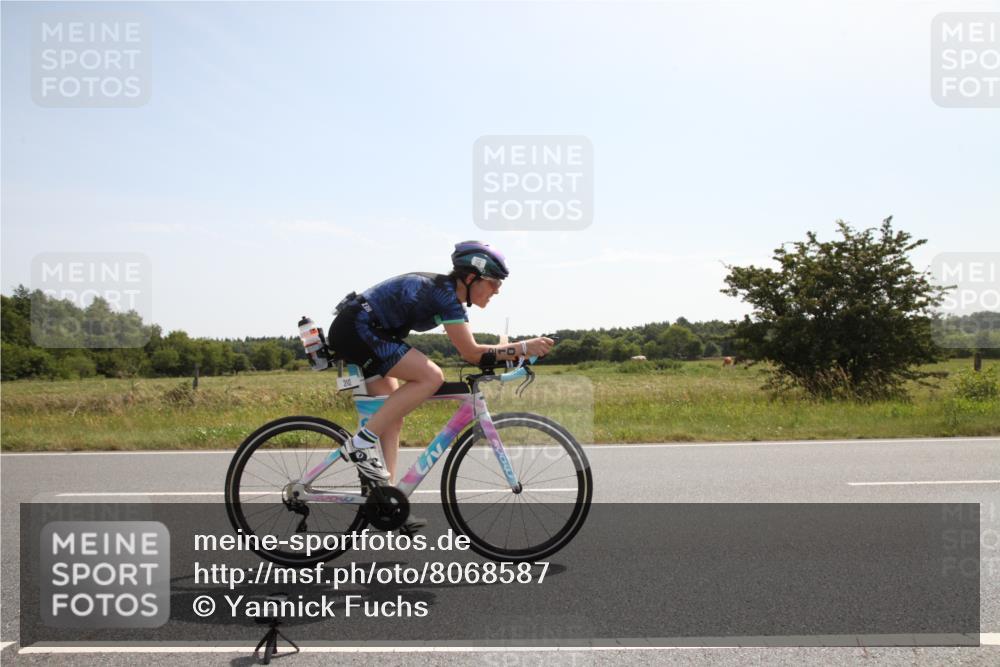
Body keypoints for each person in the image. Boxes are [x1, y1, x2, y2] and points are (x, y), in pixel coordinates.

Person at [327, 241, 554, 533]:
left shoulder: (448, 296)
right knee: (431, 377)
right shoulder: (444, 296)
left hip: (365, 329)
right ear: (471, 278)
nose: (497, 290)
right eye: (493, 282)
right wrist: (523, 346)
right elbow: (471, 353)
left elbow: (477, 353)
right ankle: (360, 444)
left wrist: (512, 355)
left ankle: (386, 501)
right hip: (358, 328)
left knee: (392, 416)